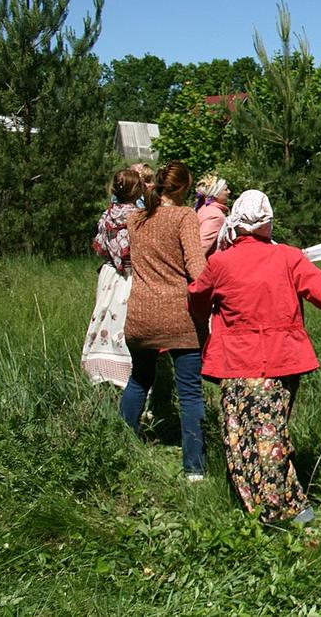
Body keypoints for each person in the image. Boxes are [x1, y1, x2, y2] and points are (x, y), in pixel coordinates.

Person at [187, 190, 321, 523]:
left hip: (236, 363)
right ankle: (285, 510)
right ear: (267, 223)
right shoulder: (289, 257)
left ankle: (276, 512)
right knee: (271, 434)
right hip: (282, 362)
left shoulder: (220, 262)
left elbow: (196, 300)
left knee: (242, 437)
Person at [120, 160, 209, 481]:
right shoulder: (185, 216)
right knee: (189, 393)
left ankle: (122, 449)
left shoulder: (136, 219)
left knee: (138, 381)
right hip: (178, 318)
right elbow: (198, 271)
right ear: (185, 187)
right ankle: (194, 469)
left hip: (140, 315)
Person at [81, 169, 145, 388]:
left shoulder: (107, 215)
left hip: (110, 274)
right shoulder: (139, 217)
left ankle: (101, 369)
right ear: (137, 190)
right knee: (129, 322)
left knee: (105, 317)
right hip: (132, 274)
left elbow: (100, 246)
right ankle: (130, 375)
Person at [195, 174, 230, 258]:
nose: (229, 192)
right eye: (225, 189)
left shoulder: (203, 209)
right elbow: (202, 246)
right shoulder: (215, 215)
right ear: (216, 193)